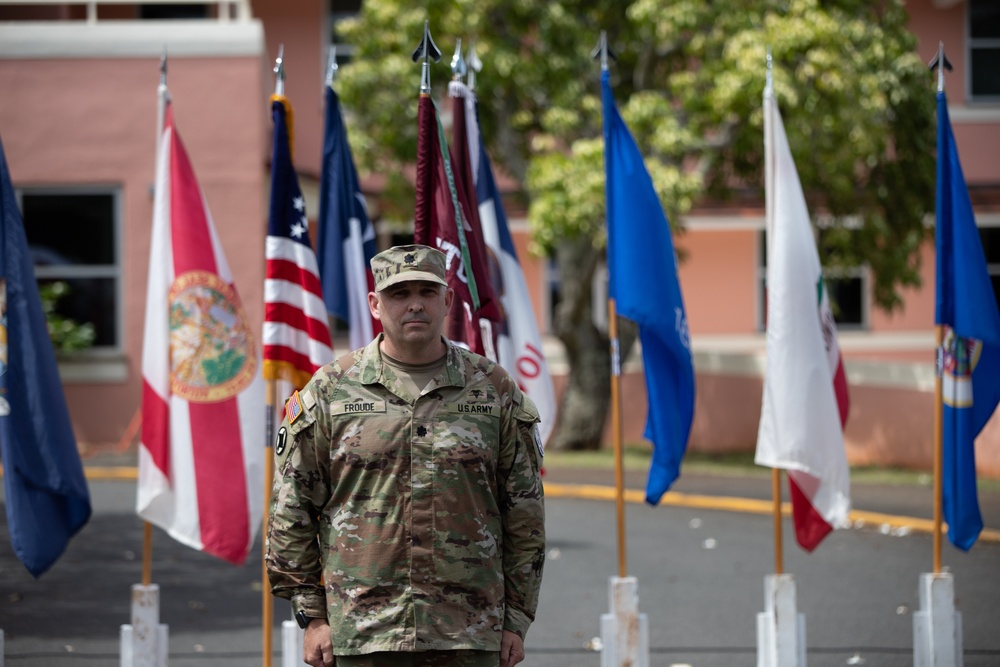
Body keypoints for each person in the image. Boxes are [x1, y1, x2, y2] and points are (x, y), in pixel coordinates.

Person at [266, 244, 546, 667]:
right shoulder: (330, 390)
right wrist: (312, 617)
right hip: (362, 633)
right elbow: (293, 507)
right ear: (376, 305)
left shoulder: (492, 389)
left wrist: (517, 618)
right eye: (399, 294)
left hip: (469, 633)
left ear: (447, 300)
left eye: (426, 292)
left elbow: (524, 512)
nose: (414, 304)